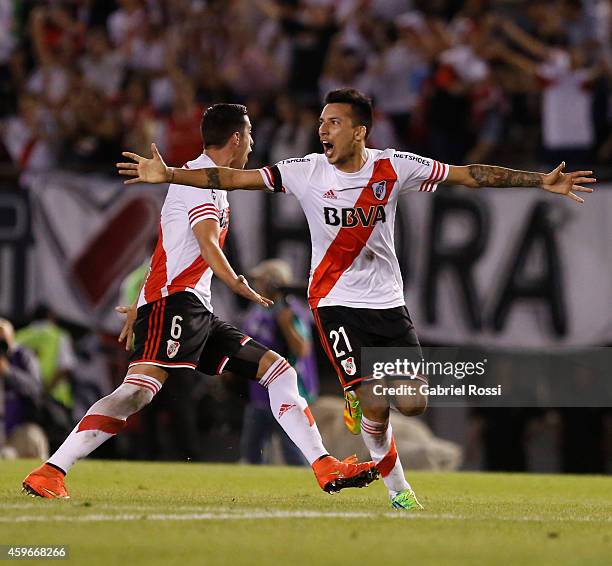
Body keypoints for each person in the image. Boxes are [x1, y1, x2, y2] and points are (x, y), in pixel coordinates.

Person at [116, 88, 595, 509]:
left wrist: (539, 180)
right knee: (374, 401)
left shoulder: (397, 167)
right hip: (334, 302)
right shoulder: (305, 171)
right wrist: (172, 174)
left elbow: (467, 174)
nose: (322, 129)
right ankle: (398, 489)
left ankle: (361, 398)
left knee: (411, 403)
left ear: (360, 131)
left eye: (334, 122)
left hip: (388, 303)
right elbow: (232, 179)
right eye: (321, 121)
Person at [22, 103, 377, 499]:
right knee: (138, 391)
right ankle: (52, 470)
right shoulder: (200, 184)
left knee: (279, 371)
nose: (253, 144)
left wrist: (141, 301)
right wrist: (236, 281)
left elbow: (165, 250)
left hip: (193, 310)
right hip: (176, 305)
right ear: (238, 138)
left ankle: (325, 466)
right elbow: (207, 244)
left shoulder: (206, 182)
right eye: (250, 136)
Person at [240, 259, 318, 466]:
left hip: (285, 392)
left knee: (292, 451)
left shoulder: (290, 311)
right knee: (251, 453)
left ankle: (305, 492)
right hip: (259, 391)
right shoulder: (258, 309)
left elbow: (302, 349)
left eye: (261, 281)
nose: (256, 285)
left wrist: (285, 323)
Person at [0, 318, 48, 459]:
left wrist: (8, 372)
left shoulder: (23, 357)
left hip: (19, 429)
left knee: (33, 436)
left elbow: (35, 389)